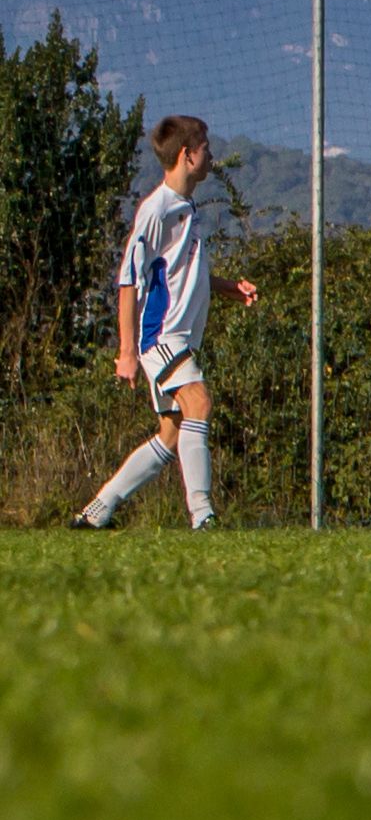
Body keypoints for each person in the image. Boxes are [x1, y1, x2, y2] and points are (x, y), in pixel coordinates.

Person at [76, 113, 230, 532]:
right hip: (160, 338)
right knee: (199, 402)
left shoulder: (185, 207)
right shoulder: (155, 209)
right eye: (206, 148)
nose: (211, 156)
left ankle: (99, 509)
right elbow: (129, 279)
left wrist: (231, 287)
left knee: (171, 434)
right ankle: (204, 517)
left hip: (176, 341)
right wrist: (126, 352)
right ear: (187, 155)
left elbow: (185, 273)